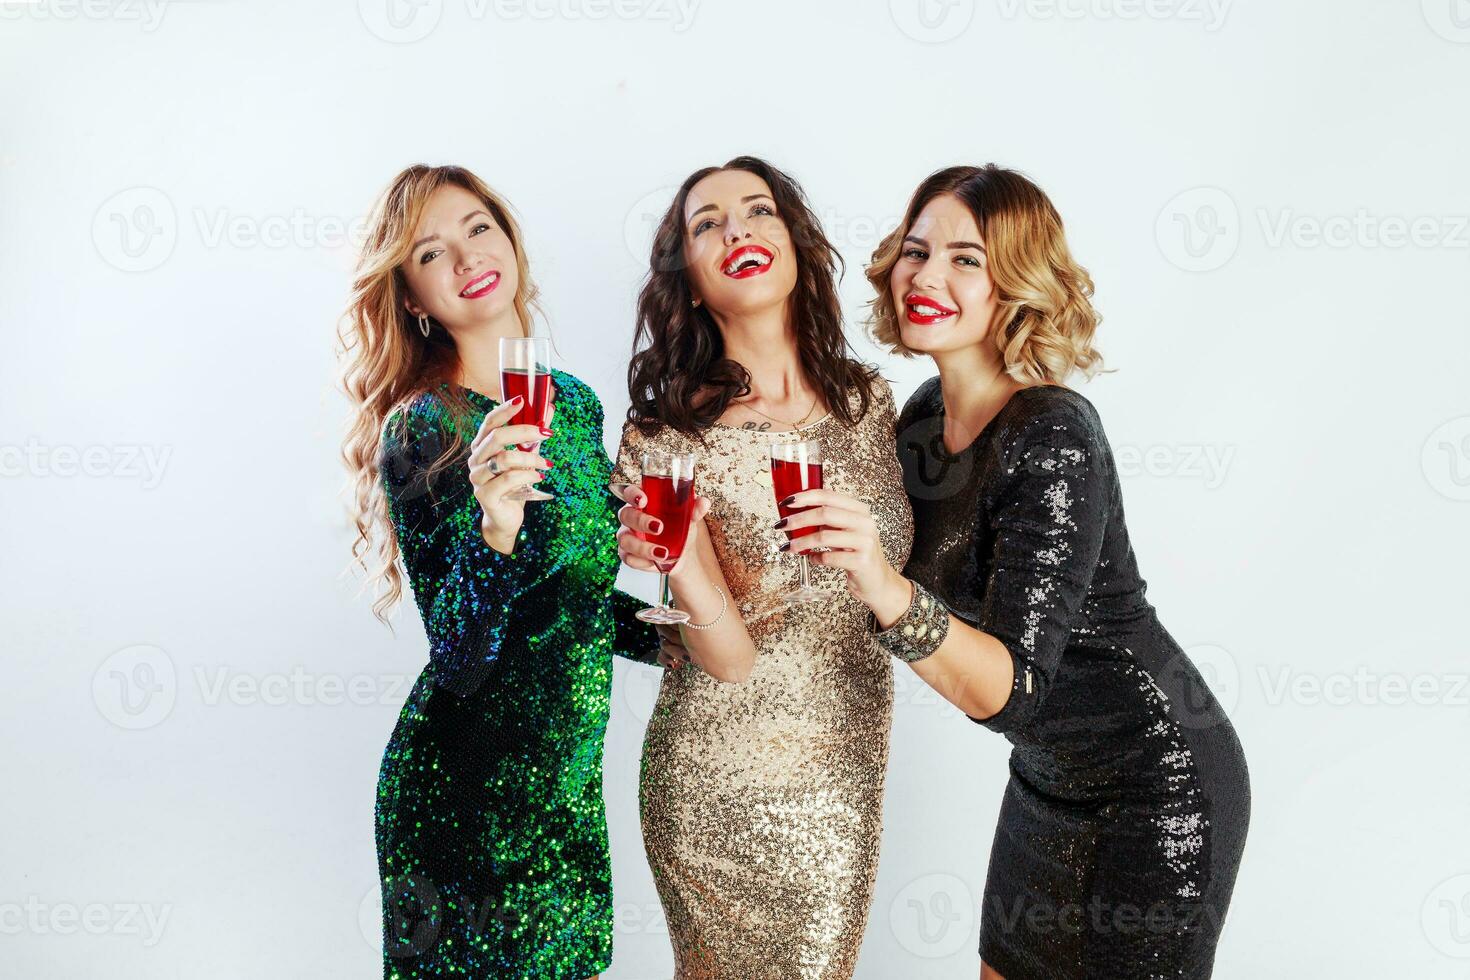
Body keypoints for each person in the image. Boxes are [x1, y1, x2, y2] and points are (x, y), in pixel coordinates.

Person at [765, 164, 1251, 978]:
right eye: (917, 251)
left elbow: (1011, 689)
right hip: (1046, 777)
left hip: (1158, 781)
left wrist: (883, 584)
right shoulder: (920, 420)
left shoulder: (1053, 434)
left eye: (966, 259)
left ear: (1016, 285)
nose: (927, 275)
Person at [339, 163, 665, 978]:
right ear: (413, 297)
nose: (464, 257)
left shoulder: (576, 404)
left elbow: (574, 602)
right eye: (429, 253)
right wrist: (496, 524)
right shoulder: (425, 429)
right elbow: (460, 658)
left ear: (509, 239)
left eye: (477, 228)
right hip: (463, 801)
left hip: (562, 795)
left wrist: (680, 637)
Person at [612, 156, 913, 978]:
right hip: (717, 778)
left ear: (794, 245)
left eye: (757, 211)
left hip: (845, 767)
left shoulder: (869, 403)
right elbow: (730, 659)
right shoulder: (668, 435)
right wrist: (680, 563)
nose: (736, 229)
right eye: (706, 224)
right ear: (693, 282)